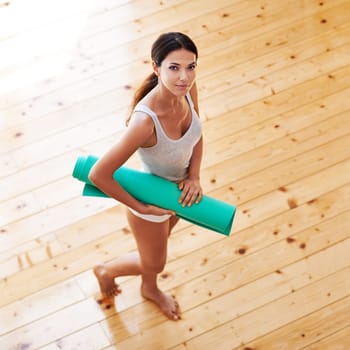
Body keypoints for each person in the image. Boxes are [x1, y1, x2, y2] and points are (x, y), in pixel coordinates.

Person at [88, 32, 203, 321]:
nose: (184, 76)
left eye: (191, 66)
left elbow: (197, 132)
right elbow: (98, 174)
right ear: (156, 68)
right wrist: (141, 207)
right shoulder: (144, 122)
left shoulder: (187, 89)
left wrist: (194, 176)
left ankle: (148, 288)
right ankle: (106, 271)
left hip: (177, 194)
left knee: (154, 258)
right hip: (150, 203)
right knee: (155, 262)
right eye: (174, 68)